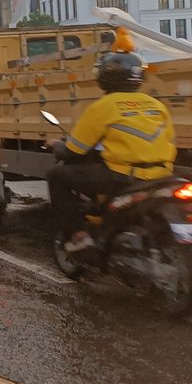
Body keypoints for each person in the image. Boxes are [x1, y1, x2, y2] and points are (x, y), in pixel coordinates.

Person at [46, 41, 175, 253]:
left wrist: (58, 146)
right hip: (162, 175)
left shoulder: (103, 106)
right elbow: (169, 140)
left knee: (56, 175)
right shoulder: (156, 105)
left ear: (105, 77)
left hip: (123, 176)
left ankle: (79, 235)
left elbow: (74, 149)